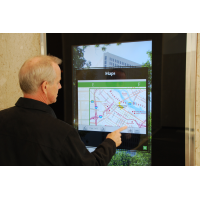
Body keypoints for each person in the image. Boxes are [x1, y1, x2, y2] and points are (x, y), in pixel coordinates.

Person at [0, 55, 127, 166]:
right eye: (58, 82)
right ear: (45, 86)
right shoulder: (62, 133)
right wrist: (111, 142)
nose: (60, 86)